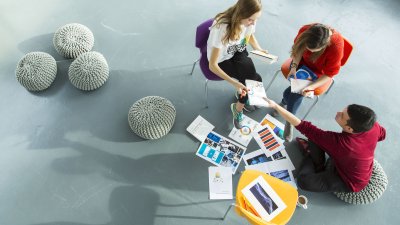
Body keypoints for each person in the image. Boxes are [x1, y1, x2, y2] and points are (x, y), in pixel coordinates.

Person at [264, 97, 386, 193]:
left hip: (349, 181)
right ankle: (318, 163)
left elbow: (302, 126)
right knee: (315, 137)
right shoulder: (373, 126)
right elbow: (382, 135)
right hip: (346, 158)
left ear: (349, 128)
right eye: (343, 110)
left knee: (304, 182)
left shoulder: (341, 143)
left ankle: (311, 157)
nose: (338, 113)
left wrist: (275, 106)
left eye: (342, 115)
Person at [276, 23, 345, 141]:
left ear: (325, 46)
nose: (309, 52)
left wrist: (312, 86)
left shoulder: (335, 46)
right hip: (301, 65)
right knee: (294, 91)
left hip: (319, 72)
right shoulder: (305, 30)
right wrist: (293, 67)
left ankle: (289, 118)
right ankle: (287, 111)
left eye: (313, 50)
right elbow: (298, 51)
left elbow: (329, 74)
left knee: (295, 92)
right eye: (307, 49)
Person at [208, 0, 268, 129]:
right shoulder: (222, 27)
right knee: (249, 83)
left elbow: (249, 34)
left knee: (254, 80)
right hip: (222, 59)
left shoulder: (250, 20)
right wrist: (233, 83)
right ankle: (238, 109)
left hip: (238, 50)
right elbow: (212, 65)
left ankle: (240, 104)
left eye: (256, 19)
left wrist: (258, 48)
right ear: (241, 14)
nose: (253, 23)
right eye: (251, 19)